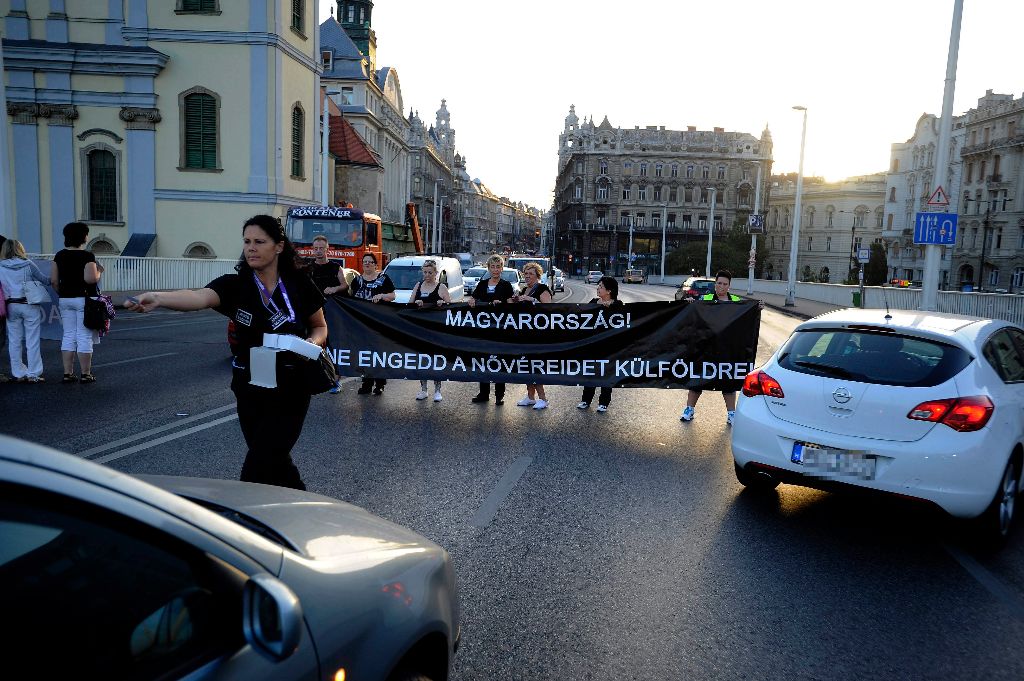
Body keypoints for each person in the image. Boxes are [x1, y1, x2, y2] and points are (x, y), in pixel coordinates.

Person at [125, 215, 327, 490]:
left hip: (292, 385)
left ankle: (243, 520)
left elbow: (320, 326)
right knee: (272, 458)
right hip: (250, 387)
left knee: (259, 463)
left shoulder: (299, 284)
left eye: (259, 241)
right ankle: (303, 504)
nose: (251, 248)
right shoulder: (235, 285)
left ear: (278, 247)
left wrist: (312, 345)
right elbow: (198, 297)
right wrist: (159, 298)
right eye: (246, 241)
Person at [679, 269, 763, 426]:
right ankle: (689, 409)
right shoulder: (706, 298)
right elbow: (694, 315)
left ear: (729, 286)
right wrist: (691, 303)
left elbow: (747, 316)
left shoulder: (736, 302)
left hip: (727, 349)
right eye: (719, 283)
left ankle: (732, 414)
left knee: (728, 382)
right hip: (706, 348)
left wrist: (757, 308)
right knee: (697, 380)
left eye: (725, 284)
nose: (721, 287)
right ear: (715, 284)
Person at [51, 222, 103, 384]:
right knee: (84, 335)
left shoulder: (59, 255)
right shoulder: (87, 256)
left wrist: (64, 293)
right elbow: (90, 279)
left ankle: (68, 373)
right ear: (83, 236)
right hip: (84, 299)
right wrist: (99, 271)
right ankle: (86, 374)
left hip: (65, 299)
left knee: (68, 335)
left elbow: (54, 281)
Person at [467, 254, 515, 405]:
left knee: (499, 362)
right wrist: (472, 301)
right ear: (488, 268)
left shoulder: (506, 285)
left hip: (500, 331)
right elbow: (473, 298)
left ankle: (499, 395)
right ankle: (483, 393)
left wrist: (502, 303)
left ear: (502, 268)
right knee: (483, 361)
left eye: (498, 266)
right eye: (492, 267)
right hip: (483, 330)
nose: (495, 270)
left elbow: (510, 304)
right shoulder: (482, 284)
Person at [0, 239, 50, 382]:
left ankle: (18, 372)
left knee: (14, 341)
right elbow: (45, 280)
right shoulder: (27, 263)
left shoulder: (0, 266)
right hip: (29, 304)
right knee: (32, 340)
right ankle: (34, 373)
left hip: (10, 306)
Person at [350, 252, 395, 395]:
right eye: (365, 262)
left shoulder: (383, 279)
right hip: (362, 324)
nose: (367, 264)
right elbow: (350, 300)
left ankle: (380, 383)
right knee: (365, 353)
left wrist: (382, 295)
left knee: (378, 353)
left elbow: (393, 296)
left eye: (370, 262)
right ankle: (367, 383)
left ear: (376, 265)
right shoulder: (356, 280)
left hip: (379, 323)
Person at [307, 235, 346, 394]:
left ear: (327, 249)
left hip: (332, 314)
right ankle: (312, 378)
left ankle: (336, 380)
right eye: (315, 248)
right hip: (312, 314)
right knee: (310, 344)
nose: (318, 251)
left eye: (321, 248)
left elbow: (344, 285)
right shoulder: (307, 268)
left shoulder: (336, 267)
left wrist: (334, 288)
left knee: (333, 346)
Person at [577, 276, 622, 412]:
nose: (598, 288)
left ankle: (604, 402)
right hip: (594, 344)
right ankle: (586, 400)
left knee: (606, 373)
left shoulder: (618, 304)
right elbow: (581, 314)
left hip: (610, 346)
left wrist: (611, 307)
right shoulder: (593, 301)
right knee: (591, 372)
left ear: (609, 291)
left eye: (601, 286)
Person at [512, 261, 553, 410]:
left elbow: (549, 308)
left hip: (538, 335)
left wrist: (533, 300)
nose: (527, 276)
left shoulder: (542, 289)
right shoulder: (523, 290)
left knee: (535, 366)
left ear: (537, 276)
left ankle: (543, 398)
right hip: (525, 334)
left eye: (531, 274)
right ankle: (530, 396)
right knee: (526, 365)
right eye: (526, 273)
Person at [409, 258, 451, 402]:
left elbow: (451, 308)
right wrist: (416, 303)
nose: (427, 275)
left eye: (430, 272)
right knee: (422, 359)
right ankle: (423, 389)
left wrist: (443, 303)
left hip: (436, 331)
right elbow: (409, 305)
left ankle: (438, 390)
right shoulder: (418, 285)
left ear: (435, 273)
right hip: (420, 330)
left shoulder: (441, 287)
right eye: (425, 272)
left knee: (436, 360)